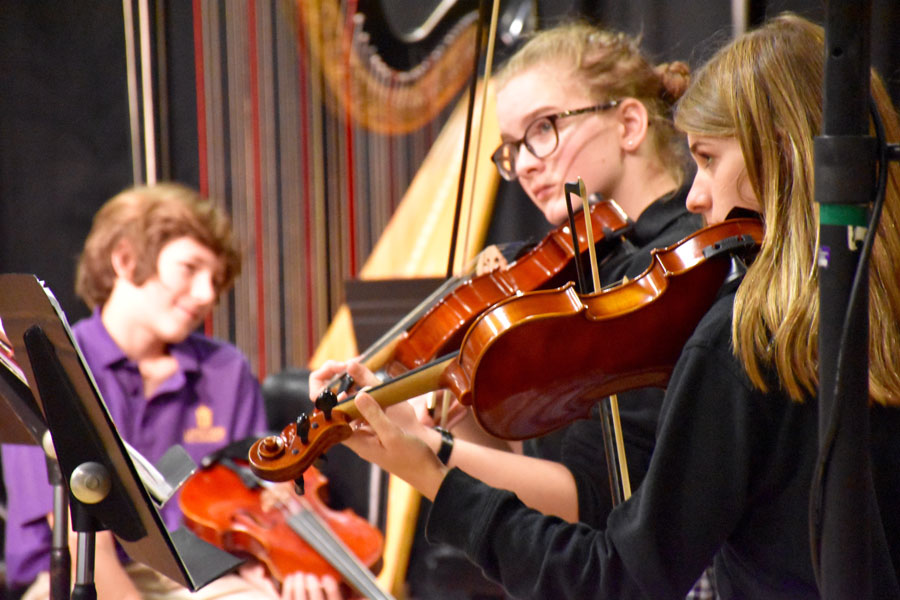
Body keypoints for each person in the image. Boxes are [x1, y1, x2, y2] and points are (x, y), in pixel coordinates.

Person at [336, 14, 900, 598]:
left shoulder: (738, 331)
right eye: (511, 148)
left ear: (780, 158)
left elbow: (618, 566)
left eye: (707, 158)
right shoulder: (852, 308)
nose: (696, 192)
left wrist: (433, 468)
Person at [312, 21, 701, 531]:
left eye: (543, 128)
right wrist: (465, 412)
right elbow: (527, 477)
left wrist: (426, 448)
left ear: (629, 123)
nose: (523, 166)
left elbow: (596, 503)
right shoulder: (570, 268)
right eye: (512, 148)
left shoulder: (670, 270)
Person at [2, 184, 343, 600]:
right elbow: (82, 546)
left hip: (193, 577)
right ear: (126, 260)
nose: (207, 295)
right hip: (75, 574)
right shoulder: (44, 362)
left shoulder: (225, 371)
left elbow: (255, 499)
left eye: (216, 280)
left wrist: (277, 568)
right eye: (190, 268)